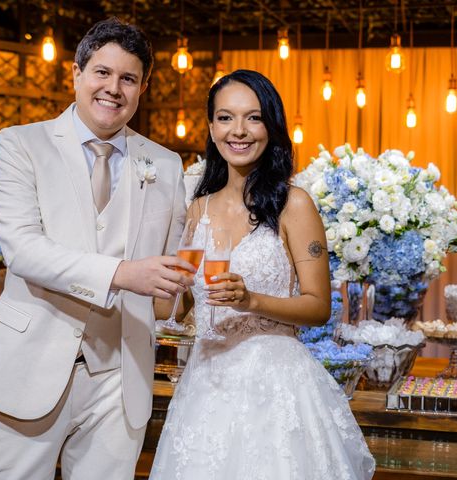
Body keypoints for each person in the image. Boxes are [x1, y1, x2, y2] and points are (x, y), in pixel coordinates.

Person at [0, 18, 195, 480]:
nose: (114, 88)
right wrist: (122, 274)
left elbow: (170, 277)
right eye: (102, 73)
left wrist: (194, 295)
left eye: (128, 79)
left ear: (142, 88)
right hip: (30, 366)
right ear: (76, 72)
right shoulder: (21, 144)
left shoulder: (165, 164)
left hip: (120, 375)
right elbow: (25, 251)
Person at [150, 70, 376, 479]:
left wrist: (250, 300)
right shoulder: (198, 208)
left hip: (275, 387)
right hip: (206, 384)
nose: (239, 131)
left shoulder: (295, 204)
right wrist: (165, 284)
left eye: (253, 118)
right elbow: (176, 306)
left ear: (271, 126)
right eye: (225, 118)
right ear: (211, 126)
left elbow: (318, 306)